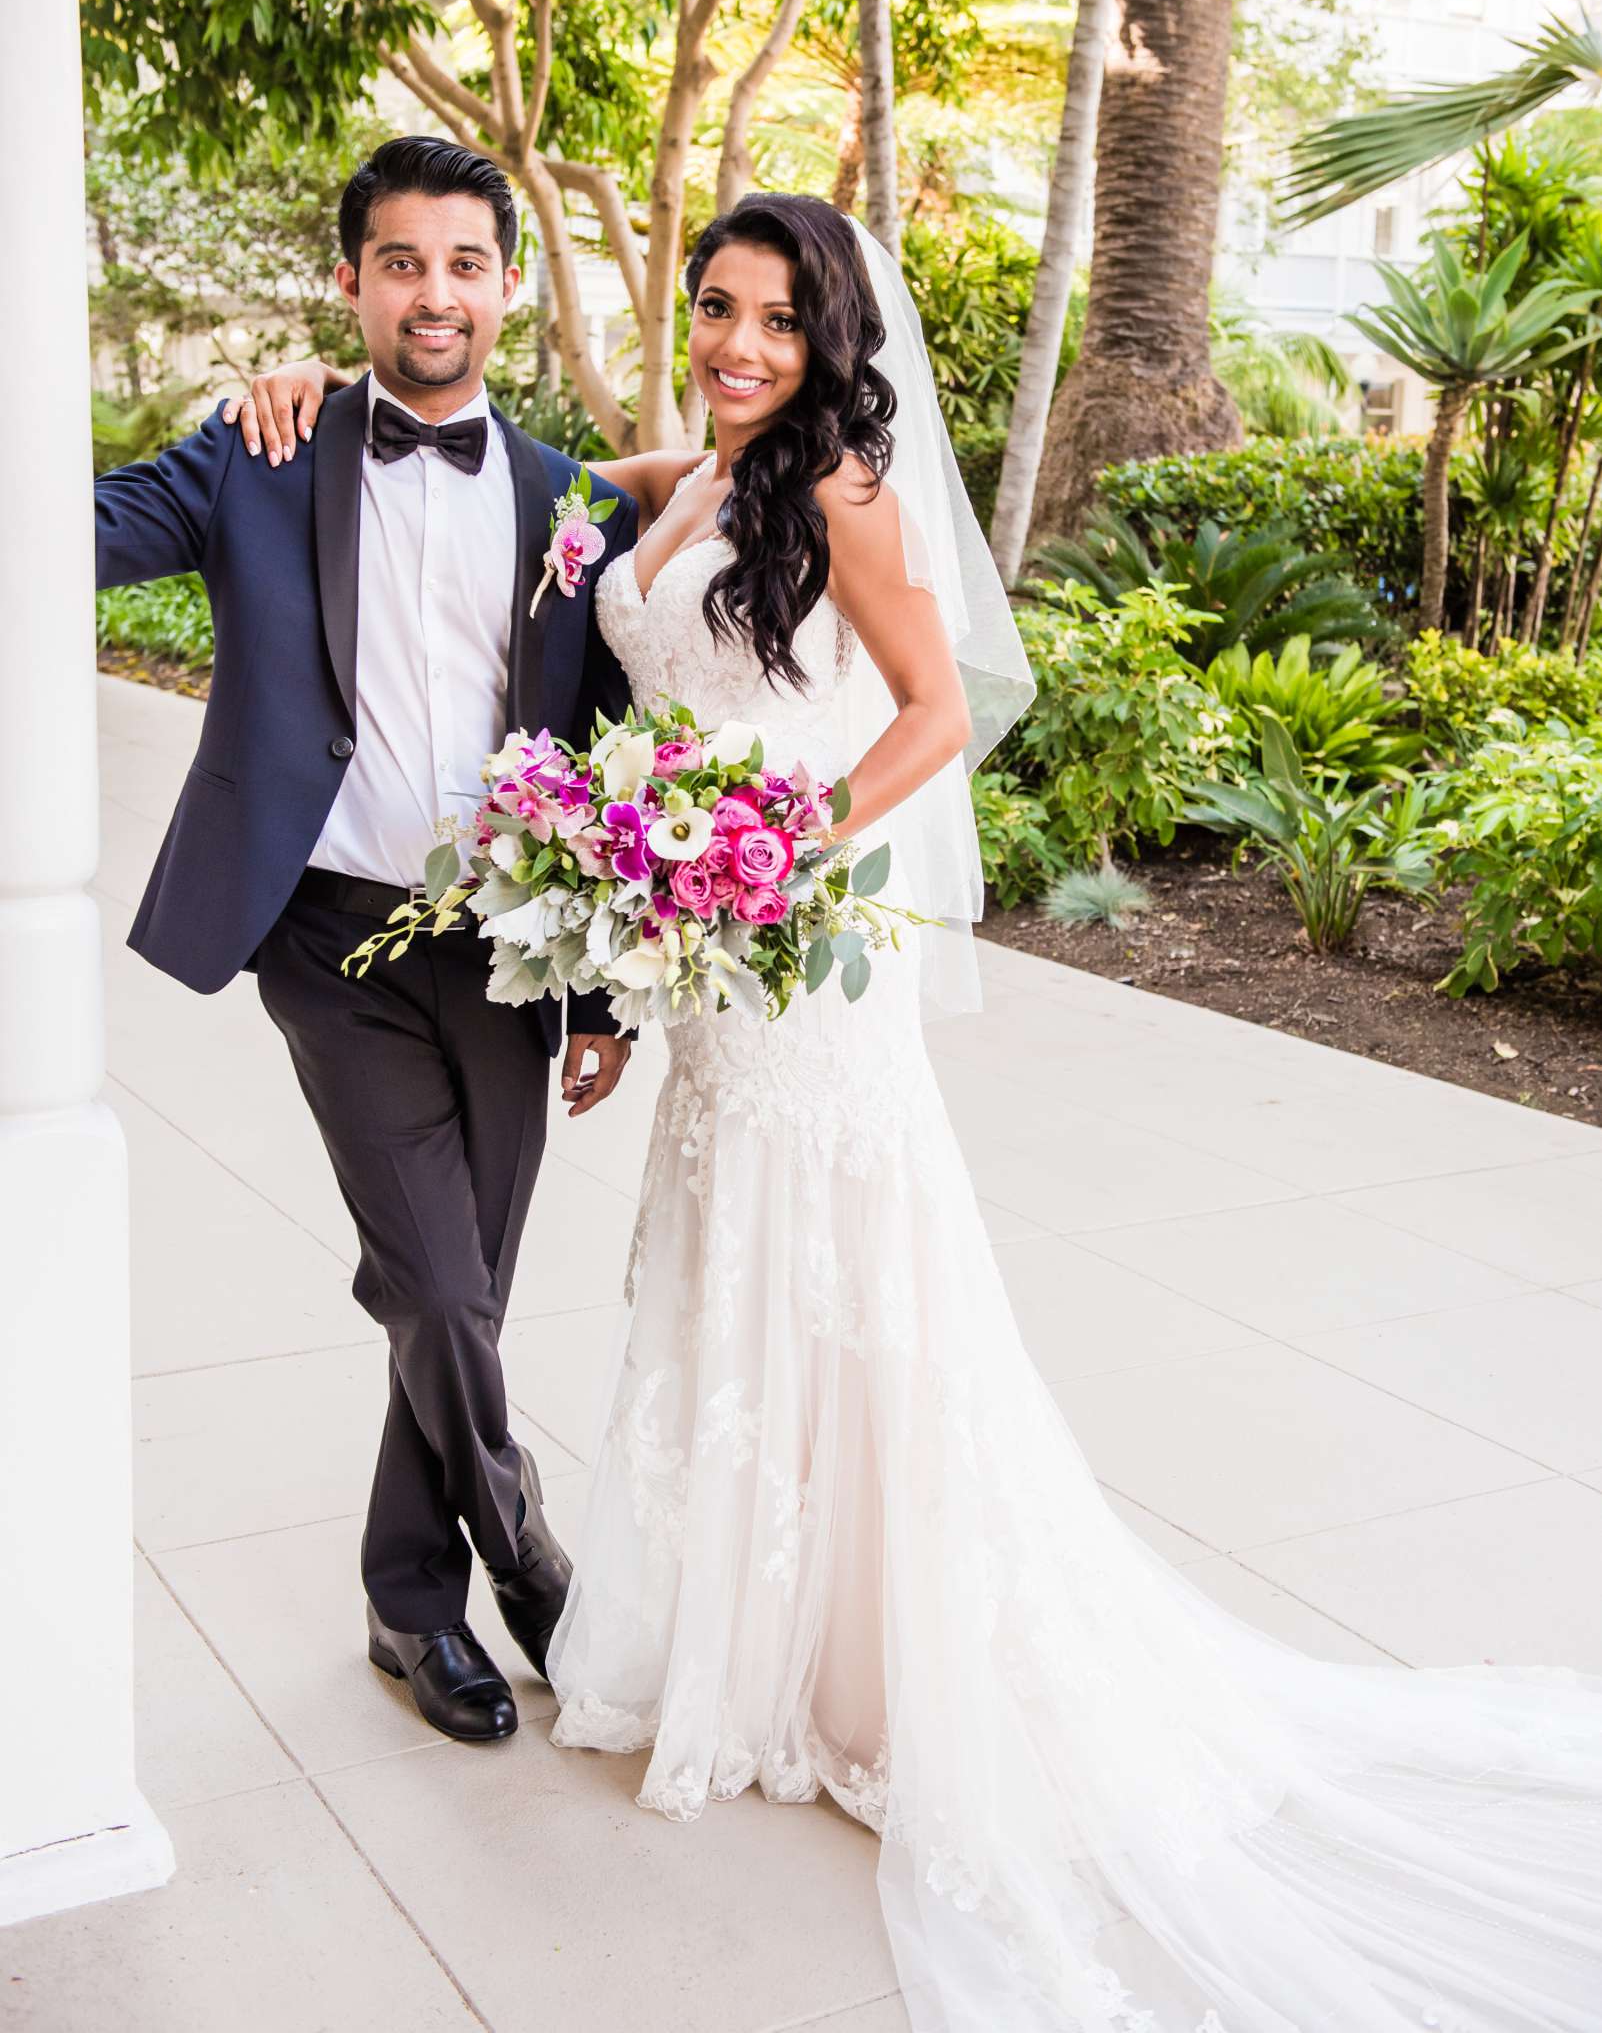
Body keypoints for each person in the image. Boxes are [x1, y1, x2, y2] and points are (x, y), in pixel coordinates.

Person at [236, 194, 1602, 2032]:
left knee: (852, 1301)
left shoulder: (847, 494)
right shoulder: (683, 480)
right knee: (729, 1292)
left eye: (776, 322)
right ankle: (748, 1638)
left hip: (794, 978)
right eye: (715, 308)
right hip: (703, 989)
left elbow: (941, 707)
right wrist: (307, 396)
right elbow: (541, 491)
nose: (734, 344)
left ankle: (871, 1670)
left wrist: (766, 857)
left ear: (832, 338)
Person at [95, 135, 639, 1749]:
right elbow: (76, 532)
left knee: (446, 1288)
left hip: (507, 946)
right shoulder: (260, 455)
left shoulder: (565, 504)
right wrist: (247, 396)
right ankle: (527, 1557)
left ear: (506, 287)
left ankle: (409, 1605)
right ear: (351, 284)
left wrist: (601, 986)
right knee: (442, 1288)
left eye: (464, 263)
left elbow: (605, 754)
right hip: (327, 935)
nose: (434, 293)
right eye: (401, 262)